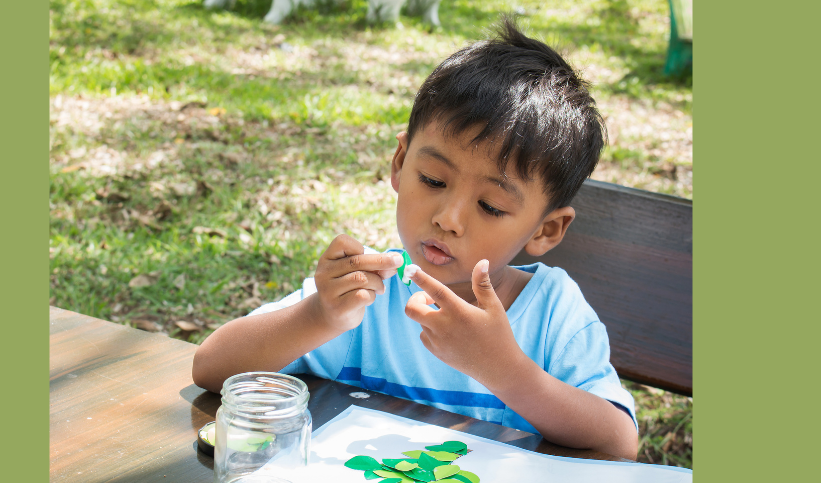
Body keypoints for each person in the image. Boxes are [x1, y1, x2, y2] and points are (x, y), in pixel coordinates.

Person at [192, 17, 638, 459]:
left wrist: (506, 371)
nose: (448, 218)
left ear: (546, 230)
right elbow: (212, 368)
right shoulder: (367, 300)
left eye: (490, 207)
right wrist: (319, 315)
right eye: (432, 180)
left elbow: (618, 445)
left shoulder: (552, 315)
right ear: (400, 163)